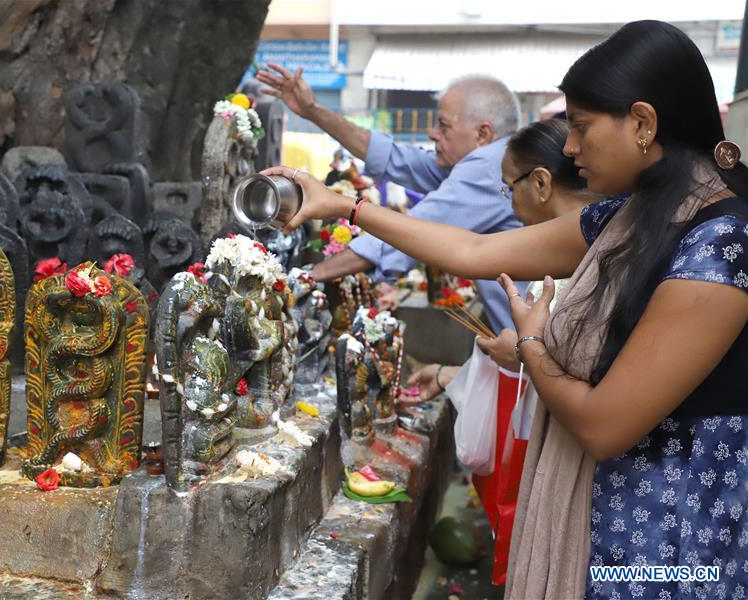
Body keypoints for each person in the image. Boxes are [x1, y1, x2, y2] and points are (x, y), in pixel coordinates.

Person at [263, 20, 748, 599]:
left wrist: (533, 347)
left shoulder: (718, 247)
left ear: (642, 124)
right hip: (612, 520)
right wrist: (344, 205)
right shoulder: (630, 218)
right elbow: (475, 250)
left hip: (675, 552)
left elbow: (603, 425)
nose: (569, 147)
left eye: (581, 126)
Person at [258, 67, 527, 331]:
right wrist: (313, 110)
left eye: (443, 126)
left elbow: (407, 234)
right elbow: (392, 157)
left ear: (482, 134)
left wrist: (297, 278)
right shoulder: (485, 160)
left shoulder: (488, 167)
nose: (433, 133)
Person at [409, 118, 599, 401]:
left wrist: (525, 351)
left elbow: (468, 251)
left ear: (541, 183)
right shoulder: (598, 235)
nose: (510, 202)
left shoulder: (593, 247)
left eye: (509, 188)